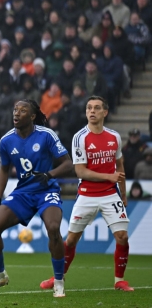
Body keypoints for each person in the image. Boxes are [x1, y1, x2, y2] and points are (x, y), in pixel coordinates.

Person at [40, 96, 134, 293]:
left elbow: (120, 166)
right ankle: (58, 277)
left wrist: (123, 194)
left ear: (105, 112)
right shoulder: (80, 137)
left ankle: (119, 280)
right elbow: (80, 171)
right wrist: (108, 176)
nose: (92, 111)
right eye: (89, 108)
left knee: (122, 236)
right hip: (86, 195)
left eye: (97, 108)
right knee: (72, 240)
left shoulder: (114, 137)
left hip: (111, 194)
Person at [0, 99, 72, 297]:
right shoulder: (6, 140)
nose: (16, 113)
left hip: (46, 190)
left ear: (32, 116)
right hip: (23, 192)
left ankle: (58, 280)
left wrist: (49, 175)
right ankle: (0, 275)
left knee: (53, 228)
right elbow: (4, 170)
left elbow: (68, 164)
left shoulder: (46, 135)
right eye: (15, 109)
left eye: (23, 110)